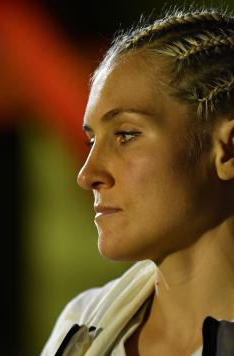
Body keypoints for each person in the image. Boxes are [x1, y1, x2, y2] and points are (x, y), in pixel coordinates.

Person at [41, 7, 234, 356]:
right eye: (91, 141)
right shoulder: (78, 325)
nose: (87, 175)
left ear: (227, 150)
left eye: (126, 134)